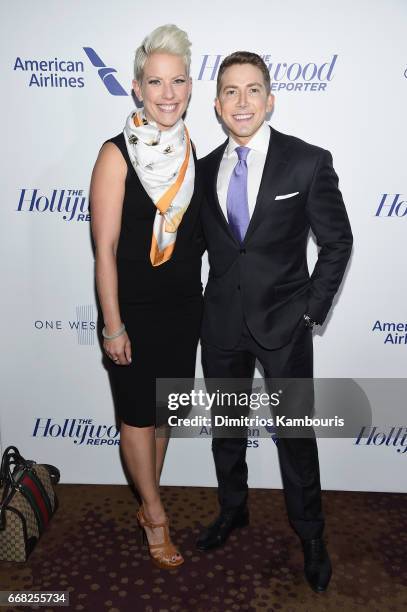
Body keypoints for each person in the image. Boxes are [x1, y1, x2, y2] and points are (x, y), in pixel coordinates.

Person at [196, 52, 353, 592]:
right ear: (217, 105)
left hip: (284, 326)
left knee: (294, 435)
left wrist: (309, 312)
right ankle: (233, 510)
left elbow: (337, 242)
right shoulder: (202, 168)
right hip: (220, 326)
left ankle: (310, 533)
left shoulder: (306, 162)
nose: (243, 102)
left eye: (253, 90)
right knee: (226, 430)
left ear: (270, 98)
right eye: (231, 92)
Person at [90, 24, 204, 569]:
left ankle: (148, 499)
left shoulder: (192, 151)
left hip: (184, 309)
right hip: (131, 310)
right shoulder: (115, 155)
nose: (167, 93)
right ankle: (155, 515)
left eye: (177, 81)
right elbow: (105, 249)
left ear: (189, 86)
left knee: (163, 416)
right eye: (155, 82)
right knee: (138, 417)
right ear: (137, 88)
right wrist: (113, 324)